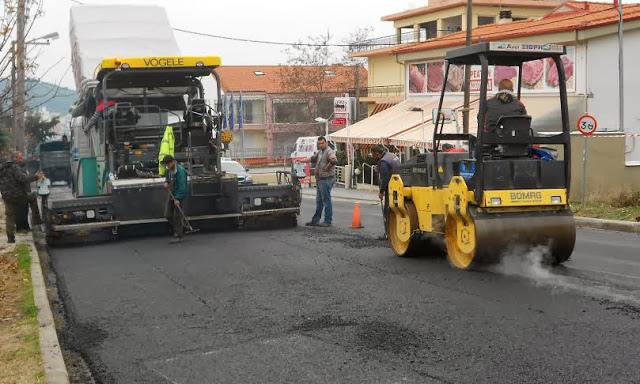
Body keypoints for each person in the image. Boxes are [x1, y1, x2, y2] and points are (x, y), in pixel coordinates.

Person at [0, 152, 45, 243]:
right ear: (15, 158)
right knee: (32, 198)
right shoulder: (14, 167)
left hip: (6, 195)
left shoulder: (2, 167)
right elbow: (22, 178)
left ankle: (10, 237)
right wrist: (36, 176)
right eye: (20, 158)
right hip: (18, 194)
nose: (22, 159)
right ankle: (37, 222)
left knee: (10, 216)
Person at [297, 136, 337, 227]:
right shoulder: (320, 152)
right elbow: (313, 158)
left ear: (326, 143)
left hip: (326, 179)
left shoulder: (329, 151)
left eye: (322, 143)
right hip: (320, 179)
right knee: (319, 201)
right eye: (319, 144)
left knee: (326, 201)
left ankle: (327, 220)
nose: (321, 145)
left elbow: (334, 160)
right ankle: (315, 220)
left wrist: (326, 168)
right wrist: (302, 160)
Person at [371, 145, 401, 239]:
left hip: (392, 188)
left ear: (377, 154)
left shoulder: (384, 161)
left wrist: (381, 191)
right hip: (400, 185)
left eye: (373, 155)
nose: (373, 157)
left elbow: (385, 179)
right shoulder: (392, 155)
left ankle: (389, 234)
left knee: (387, 210)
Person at [162, 155, 188, 244]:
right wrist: (166, 182)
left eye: (168, 164)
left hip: (179, 196)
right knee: (168, 215)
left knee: (178, 215)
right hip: (172, 194)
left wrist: (177, 198)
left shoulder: (180, 171)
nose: (167, 166)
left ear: (172, 162)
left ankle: (178, 235)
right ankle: (179, 227)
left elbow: (182, 187)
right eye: (166, 165)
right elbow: (167, 178)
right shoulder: (169, 170)